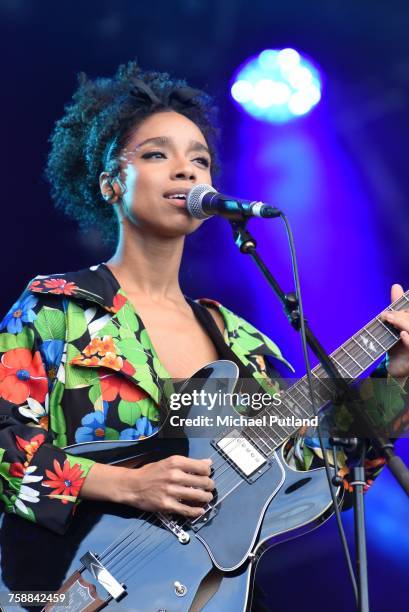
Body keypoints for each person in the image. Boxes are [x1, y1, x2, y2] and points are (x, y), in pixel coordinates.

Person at [1, 61, 408, 608]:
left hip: (214, 594)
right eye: (156, 154)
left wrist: (396, 380)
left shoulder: (236, 340)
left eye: (201, 160)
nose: (186, 170)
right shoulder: (56, 308)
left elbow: (320, 470)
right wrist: (130, 485)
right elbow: (6, 449)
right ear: (109, 183)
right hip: (72, 587)